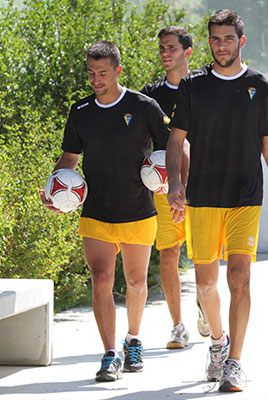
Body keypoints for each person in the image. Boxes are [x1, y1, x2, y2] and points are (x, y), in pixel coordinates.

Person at [166, 9, 268, 392]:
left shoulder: (260, 86)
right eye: (215, 39)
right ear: (209, 43)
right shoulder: (193, 85)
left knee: (239, 276)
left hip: (245, 196)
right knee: (206, 286)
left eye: (228, 39)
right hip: (202, 197)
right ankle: (218, 343)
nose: (222, 46)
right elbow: (175, 141)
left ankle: (234, 361)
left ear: (241, 41)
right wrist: (175, 184)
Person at [40, 41, 170, 381]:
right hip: (96, 210)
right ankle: (110, 353)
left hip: (139, 210)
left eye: (102, 73)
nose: (96, 80)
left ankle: (134, 339)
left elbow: (171, 145)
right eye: (91, 73)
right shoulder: (81, 111)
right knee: (101, 280)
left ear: (117, 70)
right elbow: (69, 159)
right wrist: (54, 190)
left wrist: (175, 185)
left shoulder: (143, 107)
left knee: (136, 281)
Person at [141, 26, 212, 349]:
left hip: (202, 188)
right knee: (168, 254)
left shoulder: (203, 88)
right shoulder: (150, 94)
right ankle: (178, 326)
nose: (165, 53)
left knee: (202, 258)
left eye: (171, 47)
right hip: (163, 189)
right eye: (161, 48)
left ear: (188, 52)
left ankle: (205, 307)